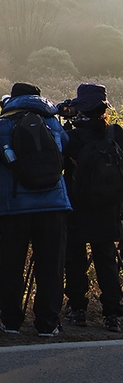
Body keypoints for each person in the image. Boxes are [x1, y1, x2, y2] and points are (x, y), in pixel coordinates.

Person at [0, 82, 70, 337]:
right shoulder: (53, 124)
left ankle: (11, 321)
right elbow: (62, 154)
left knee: (12, 265)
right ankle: (47, 323)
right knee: (51, 266)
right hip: (53, 204)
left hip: (14, 206)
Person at [60, 83, 122, 332]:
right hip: (108, 208)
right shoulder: (116, 134)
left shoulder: (72, 137)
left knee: (74, 259)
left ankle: (78, 310)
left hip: (76, 206)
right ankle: (113, 315)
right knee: (106, 259)